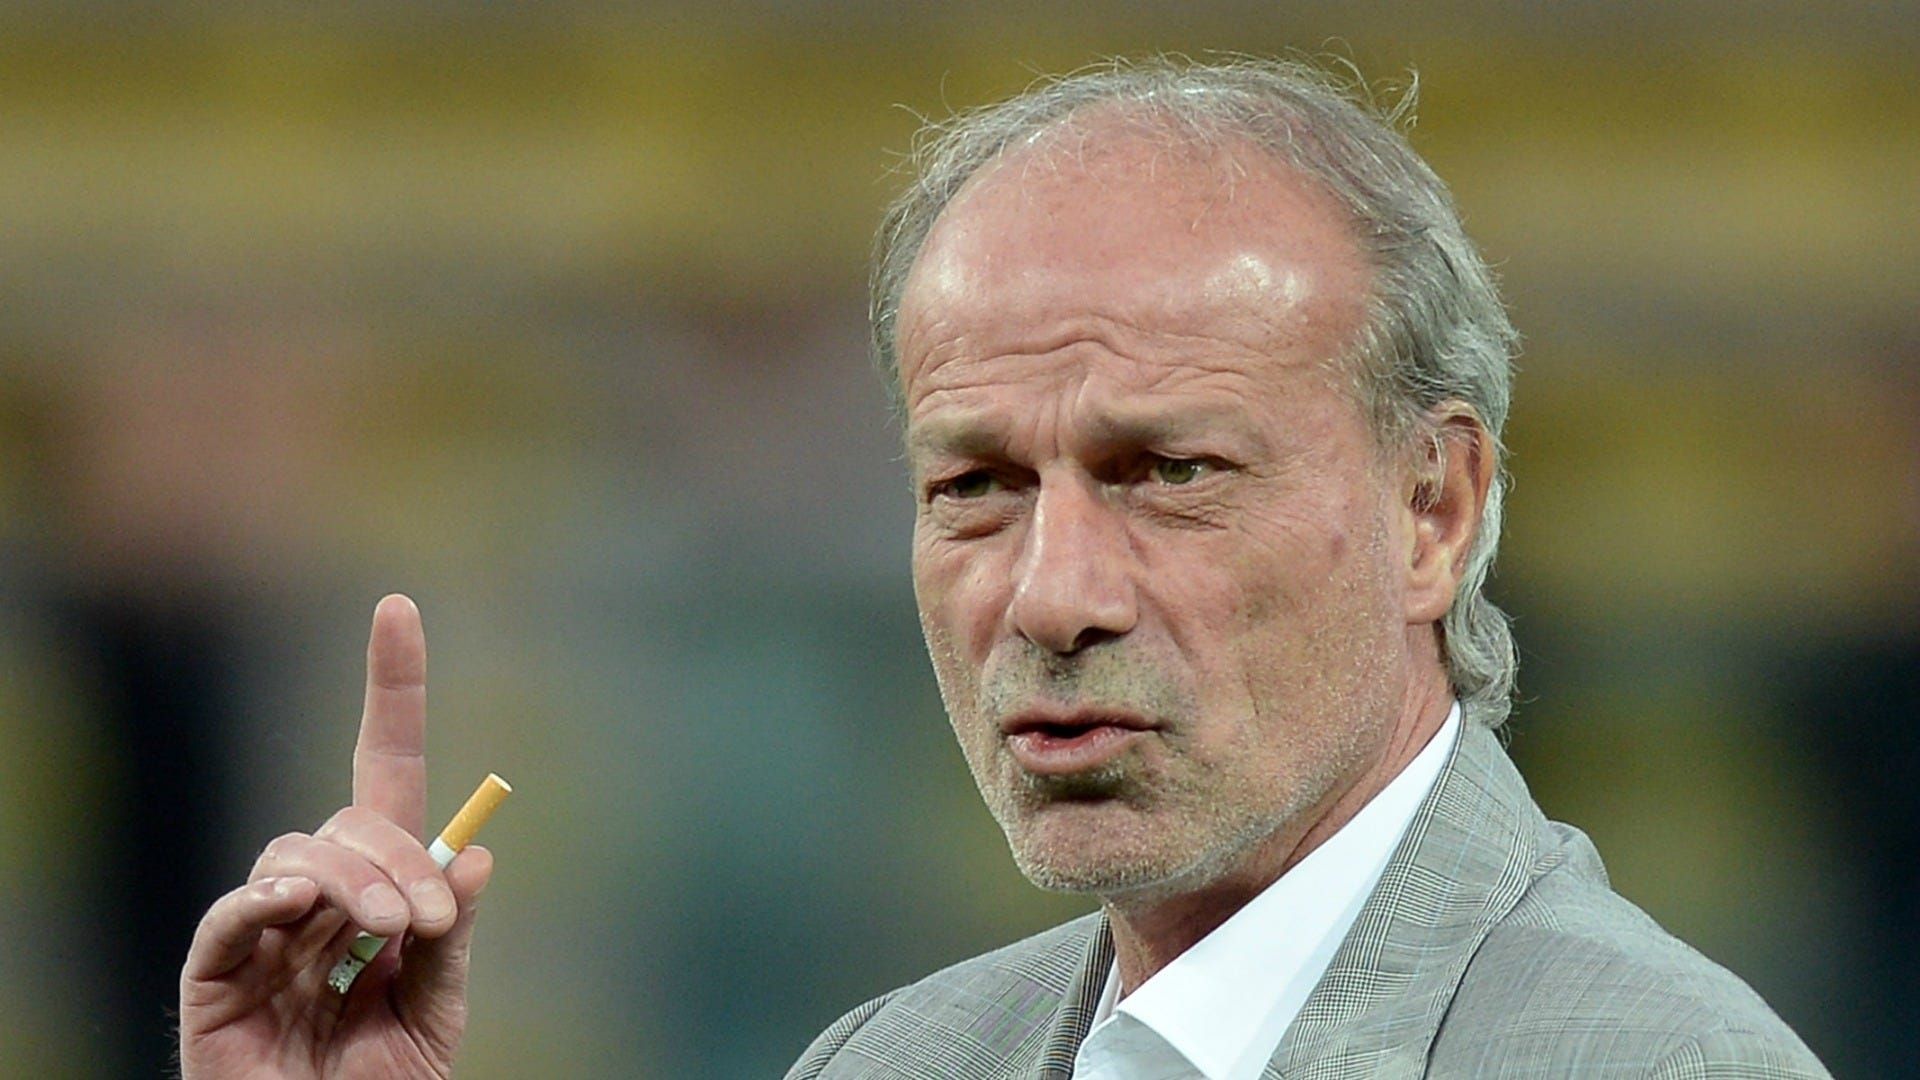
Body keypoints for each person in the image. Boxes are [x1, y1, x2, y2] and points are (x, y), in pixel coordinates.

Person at [178, 56, 1829, 1078]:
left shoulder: (1660, 1068)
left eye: (1169, 473)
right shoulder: (890, 1063)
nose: (1049, 597)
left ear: (1435, 510)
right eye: (973, 487)